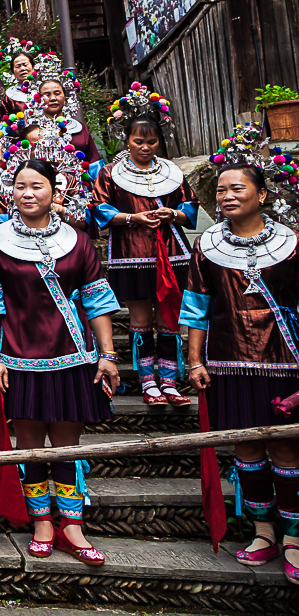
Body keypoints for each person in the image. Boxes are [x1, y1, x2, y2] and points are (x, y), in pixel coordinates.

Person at [0, 158, 121, 565]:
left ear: (55, 191)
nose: (28, 193)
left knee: (66, 447)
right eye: (20, 186)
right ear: (10, 193)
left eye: (37, 186)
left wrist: (107, 355)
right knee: (30, 448)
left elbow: (97, 298)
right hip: (19, 359)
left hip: (73, 357)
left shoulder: (77, 240)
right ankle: (41, 522)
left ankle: (72, 525)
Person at [182, 151, 299, 578]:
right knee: (247, 448)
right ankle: (264, 531)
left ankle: (294, 535)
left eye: (237, 188)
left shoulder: (292, 245)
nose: (227, 196)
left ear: (263, 194)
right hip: (227, 362)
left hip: (284, 362)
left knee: (286, 447)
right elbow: (195, 307)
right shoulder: (207, 247)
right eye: (220, 190)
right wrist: (194, 360)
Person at [92, 116, 197, 406]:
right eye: (139, 141)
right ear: (127, 140)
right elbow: (100, 209)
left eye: (152, 142)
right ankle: (148, 382)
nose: (146, 147)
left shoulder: (172, 171)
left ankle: (170, 380)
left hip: (172, 251)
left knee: (169, 318)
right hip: (131, 254)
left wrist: (172, 214)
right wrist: (131, 218)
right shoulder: (109, 173)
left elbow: (189, 207)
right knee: (140, 319)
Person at [39, 77, 102, 179]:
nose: (53, 98)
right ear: (39, 100)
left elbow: (93, 160)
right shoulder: (34, 130)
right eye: (46, 95)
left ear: (64, 99)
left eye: (57, 93)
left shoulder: (80, 127)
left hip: (80, 186)